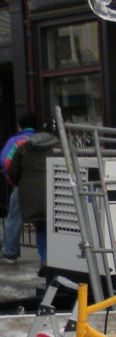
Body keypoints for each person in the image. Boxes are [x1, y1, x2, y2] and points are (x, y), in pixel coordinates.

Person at [8, 119, 59, 266]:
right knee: (59, 228)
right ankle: (58, 261)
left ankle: (45, 259)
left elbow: (13, 171)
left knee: (41, 227)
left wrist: (23, 185)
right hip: (56, 194)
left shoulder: (24, 148)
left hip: (31, 196)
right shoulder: (59, 147)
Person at [0, 111, 37, 263]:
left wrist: (12, 180)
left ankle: (10, 252)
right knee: (46, 221)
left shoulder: (16, 141)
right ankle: (48, 258)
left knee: (15, 217)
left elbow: (5, 162)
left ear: (20, 126)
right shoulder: (46, 139)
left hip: (23, 184)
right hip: (47, 184)